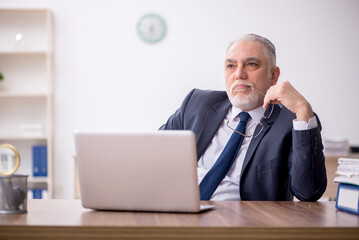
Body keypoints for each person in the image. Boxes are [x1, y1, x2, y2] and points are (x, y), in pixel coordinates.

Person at [160, 33, 327, 201]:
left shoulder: (291, 123)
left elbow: (309, 192)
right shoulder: (197, 103)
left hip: (242, 222)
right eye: (231, 66)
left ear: (273, 76)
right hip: (179, 210)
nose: (239, 74)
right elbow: (154, 156)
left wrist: (303, 108)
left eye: (251, 64)